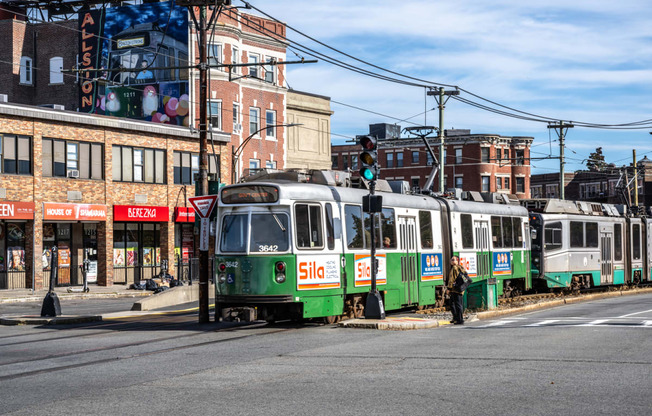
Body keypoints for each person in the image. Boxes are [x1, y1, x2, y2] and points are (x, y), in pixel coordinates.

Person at [447, 256, 466, 325]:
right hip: (457, 289)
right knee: (452, 303)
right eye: (451, 259)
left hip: (456, 290)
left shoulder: (455, 268)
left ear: (457, 261)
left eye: (453, 260)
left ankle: (460, 319)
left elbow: (451, 280)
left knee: (457, 305)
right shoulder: (460, 268)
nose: (451, 261)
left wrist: (449, 288)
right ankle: (456, 317)